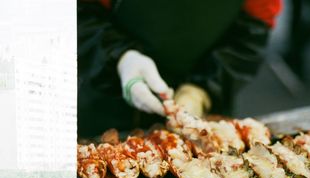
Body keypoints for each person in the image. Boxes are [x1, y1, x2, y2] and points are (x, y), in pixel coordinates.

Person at [78, 0, 282, 137]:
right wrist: (120, 57)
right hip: (105, 98)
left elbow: (250, 34)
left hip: (202, 113)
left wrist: (201, 91)